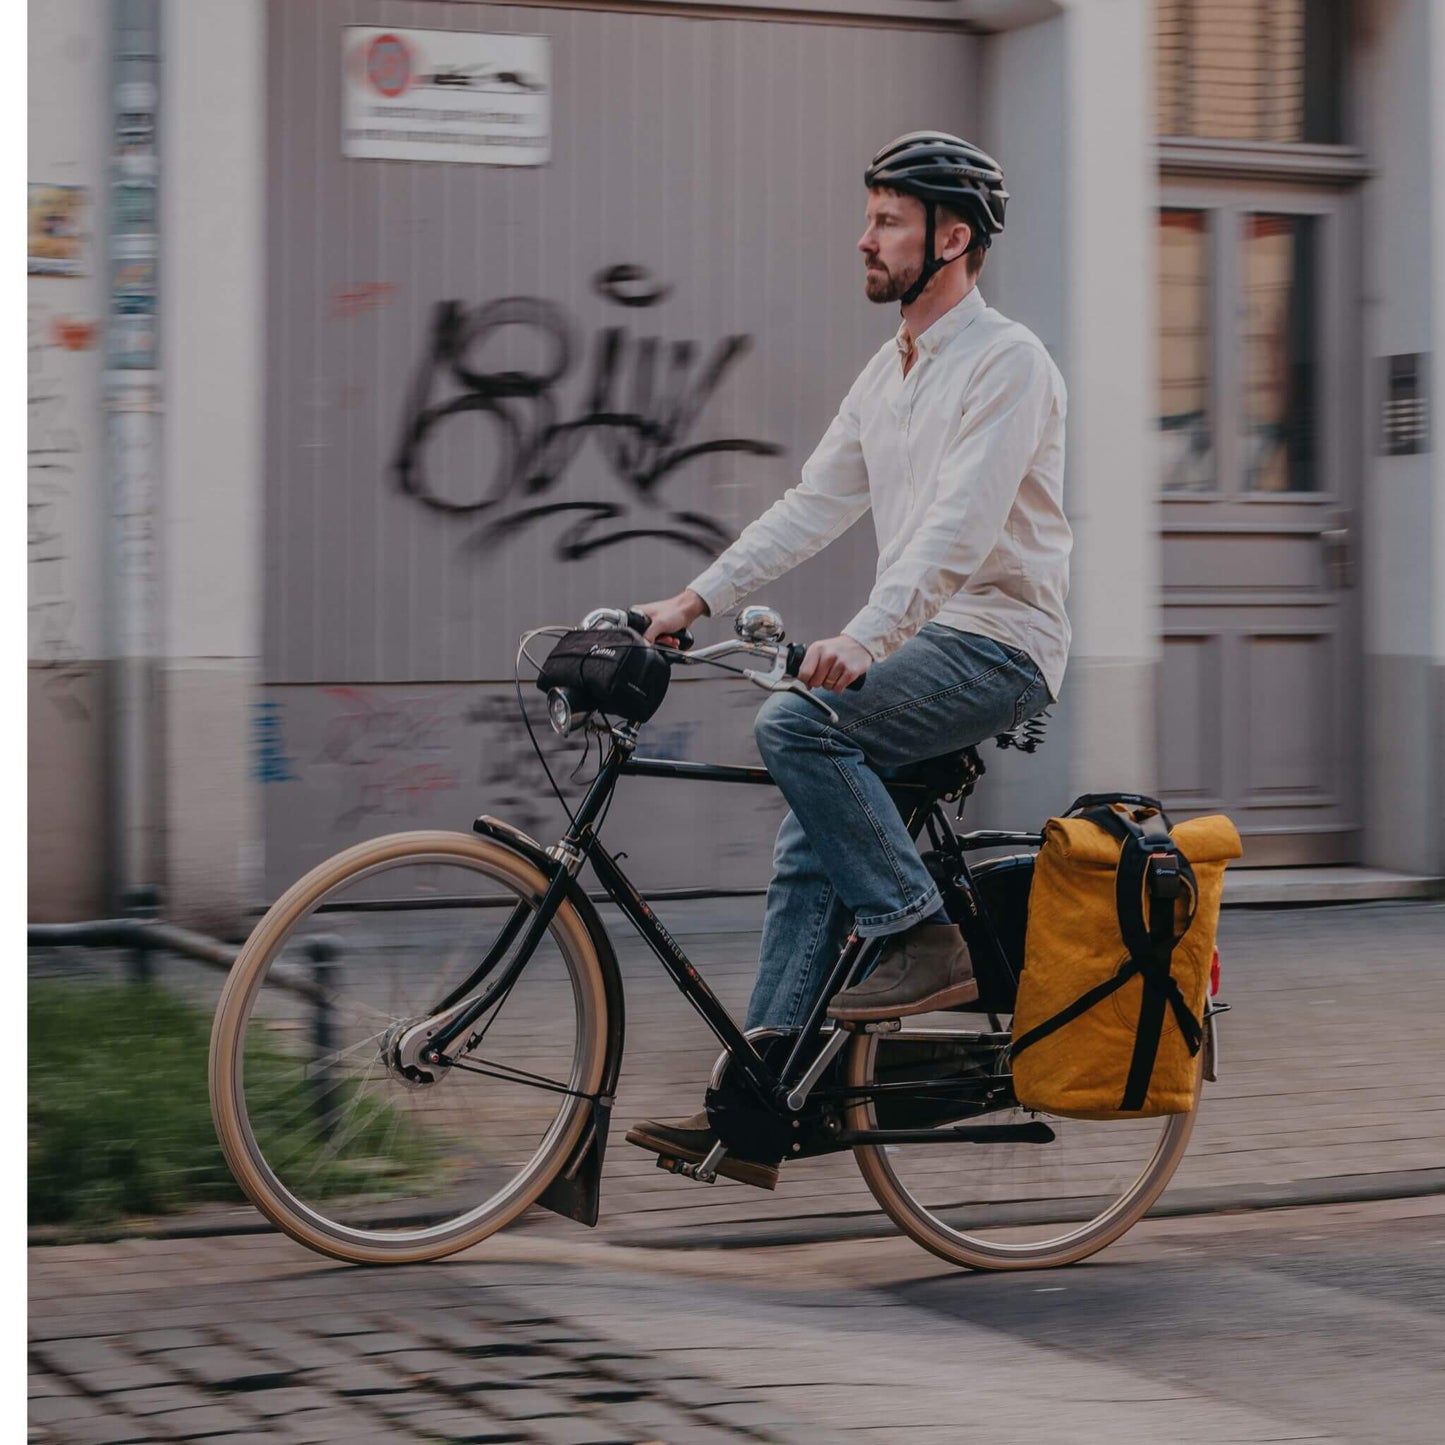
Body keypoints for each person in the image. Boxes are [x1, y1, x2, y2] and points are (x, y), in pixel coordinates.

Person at [626, 132, 1071, 1188]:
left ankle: (917, 930)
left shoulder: (1007, 362)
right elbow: (810, 506)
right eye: (867, 217)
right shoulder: (889, 370)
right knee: (804, 841)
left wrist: (867, 635)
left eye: (885, 221)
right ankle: (762, 1099)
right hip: (928, 635)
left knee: (797, 723)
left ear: (949, 237)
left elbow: (958, 530)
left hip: (998, 641)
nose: (860, 238)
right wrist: (694, 599)